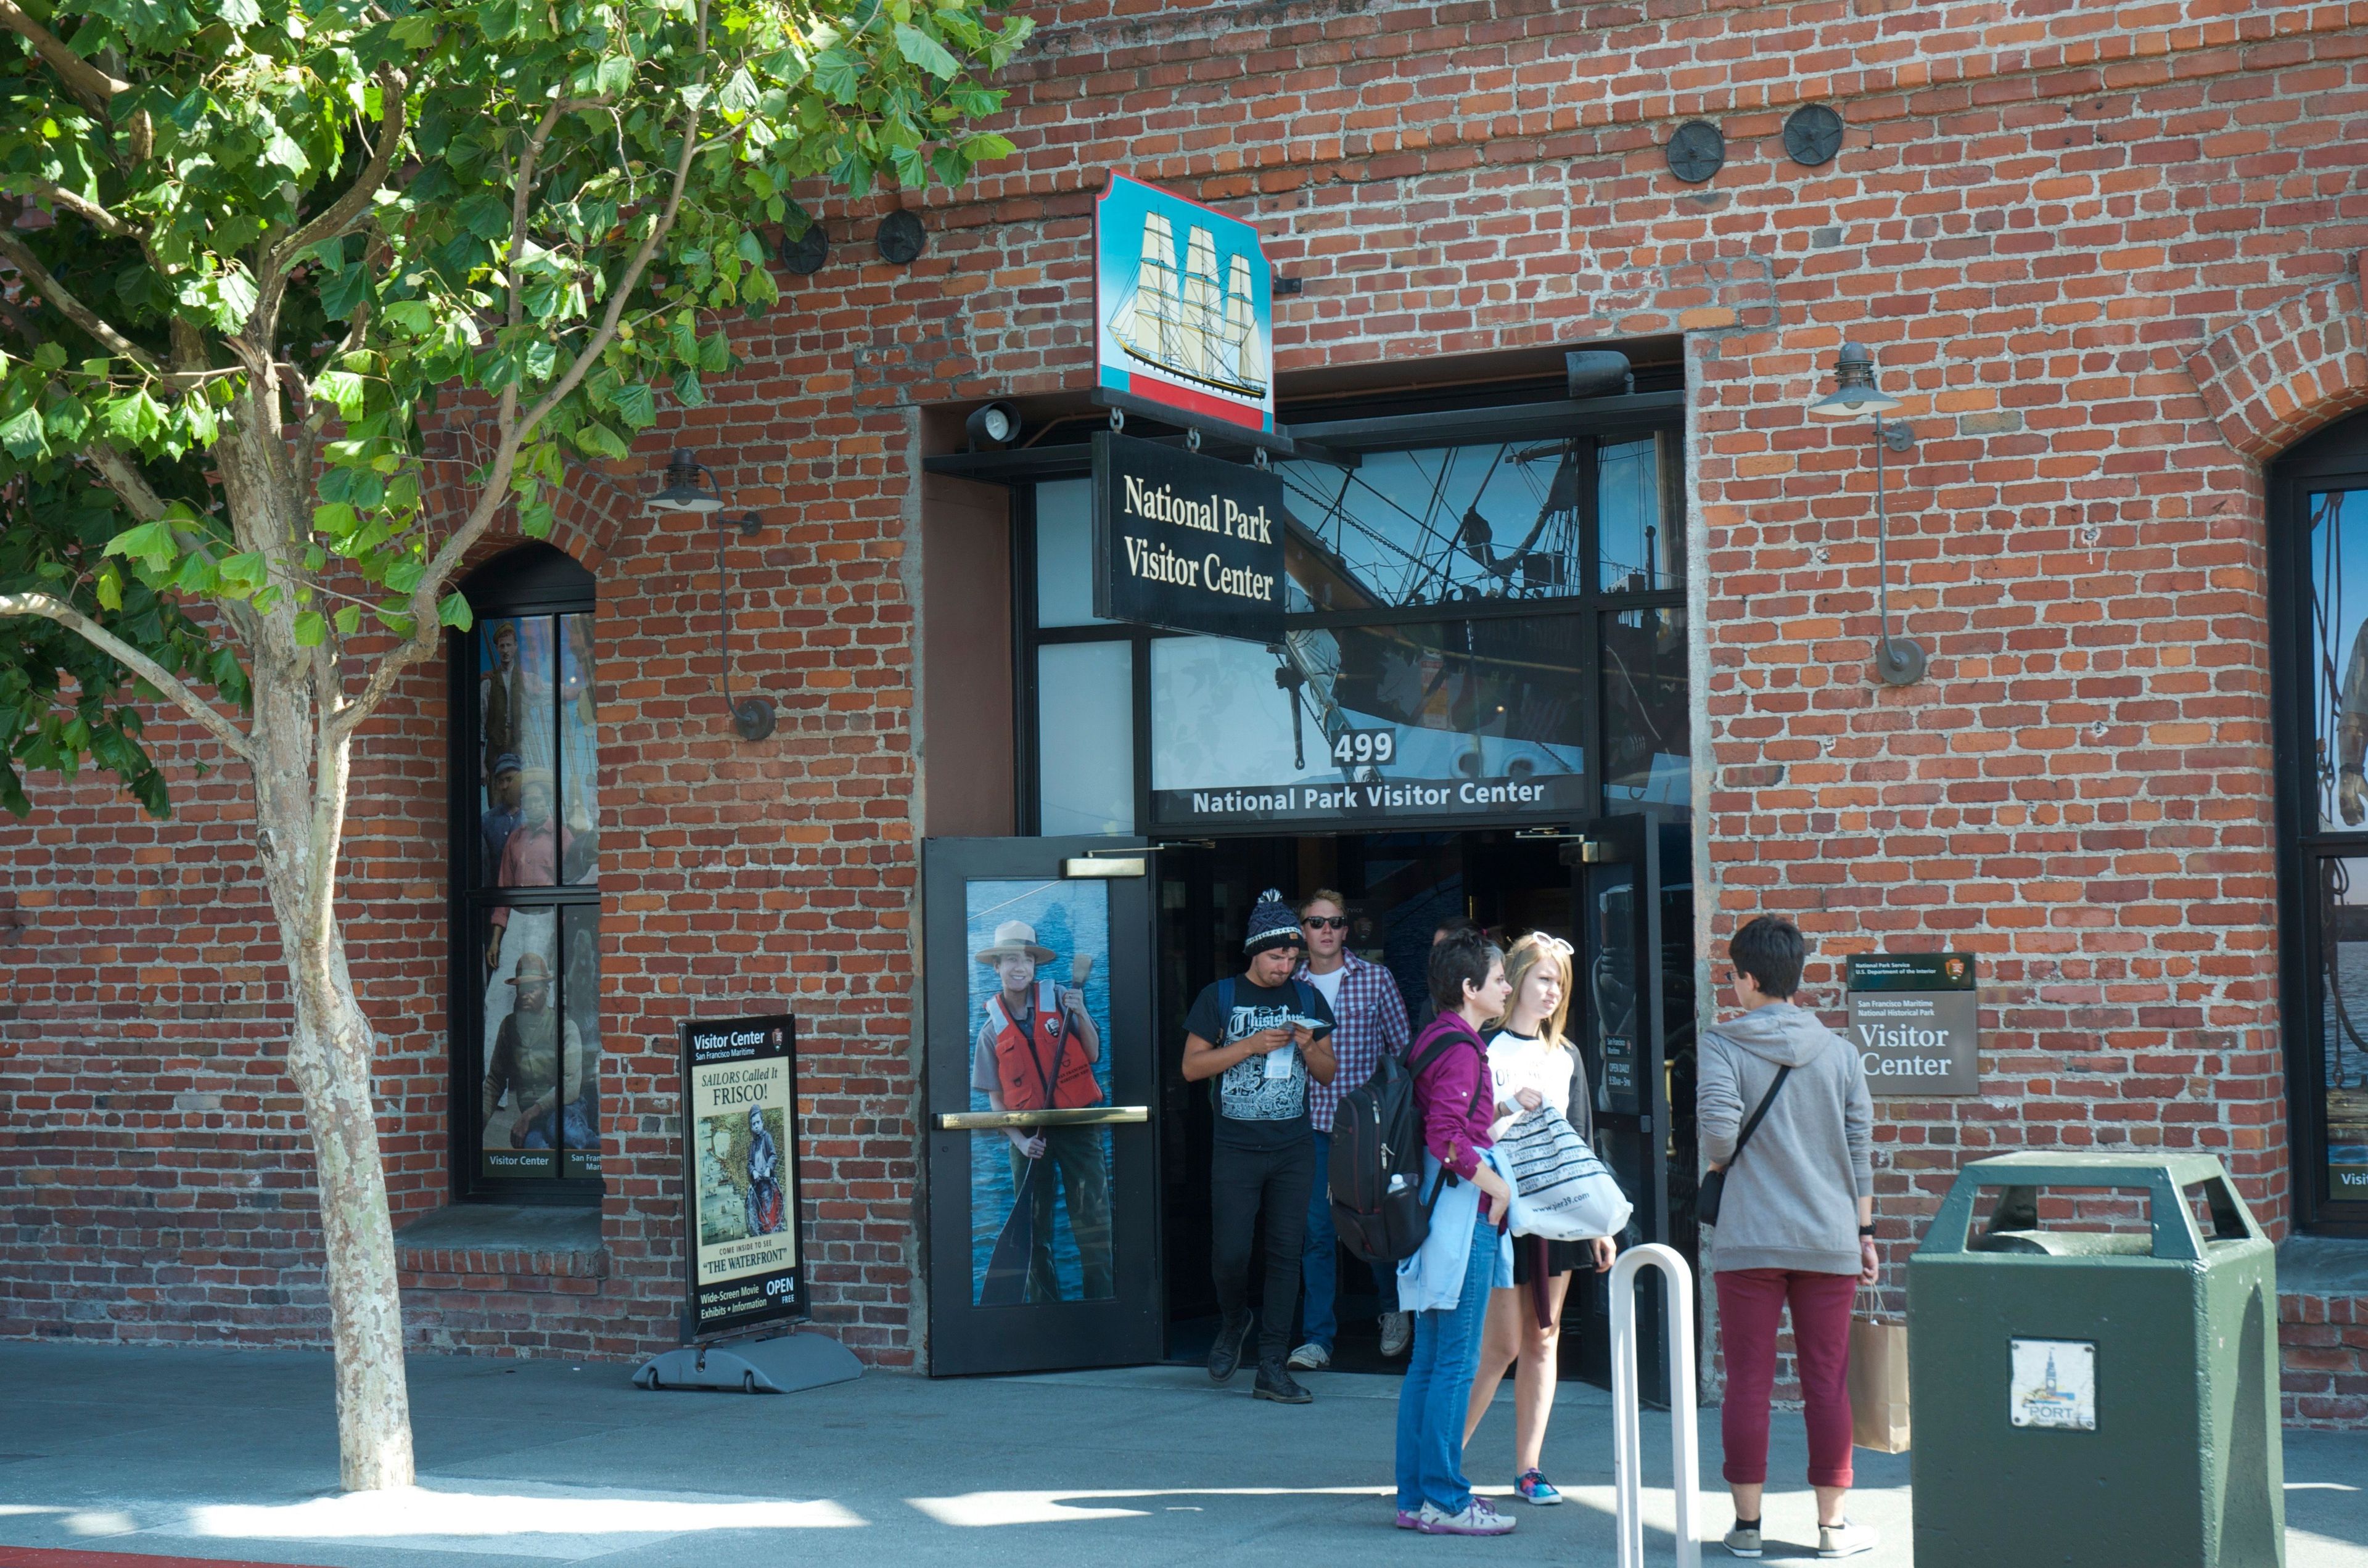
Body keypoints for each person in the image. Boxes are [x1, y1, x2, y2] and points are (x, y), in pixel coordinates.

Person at [1698, 915, 1878, 1561]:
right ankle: (1832, 1528)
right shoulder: (1841, 1053)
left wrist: (1724, 1163)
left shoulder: (1723, 1045)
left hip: (1750, 1237)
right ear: (1796, 975)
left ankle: (1747, 1527)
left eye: (1733, 976)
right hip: (1830, 1237)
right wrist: (1864, 1231)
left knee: (1747, 1379)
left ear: (1747, 978)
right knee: (1826, 1380)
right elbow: (1861, 1150)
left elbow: (1719, 1137)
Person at [1461, 932, 1616, 1505]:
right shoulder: (1482, 1046)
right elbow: (1462, 1132)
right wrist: (1505, 1110)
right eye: (1543, 978)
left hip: (1556, 1210)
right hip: (1498, 1210)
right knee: (1497, 1346)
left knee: (1544, 1338)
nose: (1552, 990)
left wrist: (1599, 1223)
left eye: (1560, 981)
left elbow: (1581, 1142)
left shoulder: (1567, 1054)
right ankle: (1445, 1460)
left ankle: (1529, 1467)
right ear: (1518, 978)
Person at [1182, 889, 1337, 1404]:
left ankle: (1272, 1364)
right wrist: (1248, 1045)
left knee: (1285, 1254)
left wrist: (1308, 1044)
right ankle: (1233, 1321)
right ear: (1254, 951)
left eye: (1293, 957)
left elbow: (1328, 1072)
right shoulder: (1219, 996)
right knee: (1231, 1251)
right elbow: (1191, 1067)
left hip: (1293, 1145)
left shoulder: (1309, 998)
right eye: (1277, 956)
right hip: (1235, 1146)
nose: (1286, 966)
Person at [1393, 927, 1518, 1537]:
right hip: (1460, 1219)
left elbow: (1450, 1121)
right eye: (1499, 978)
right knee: (1454, 1363)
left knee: (1428, 1361)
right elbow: (1447, 1136)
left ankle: (1416, 1496)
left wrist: (1497, 1114)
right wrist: (1500, 1187)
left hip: (1431, 1215)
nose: (1508, 986)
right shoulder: (1465, 1047)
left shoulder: (1435, 1038)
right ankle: (1444, 1496)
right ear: (1471, 988)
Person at [1288, 889, 1413, 1371]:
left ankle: (1392, 1310)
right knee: (1317, 1233)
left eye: (1335, 923)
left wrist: (1394, 1118)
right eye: (1316, 923)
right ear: (1302, 930)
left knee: (1375, 1223)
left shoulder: (1376, 979)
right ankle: (1318, 1337)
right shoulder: (1291, 984)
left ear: (1346, 929)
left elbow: (1402, 1051)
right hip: (1311, 1125)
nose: (1326, 931)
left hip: (1367, 1128)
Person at [968, 920, 1112, 1302]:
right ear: (996, 967)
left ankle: (1100, 1308)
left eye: (1028, 960)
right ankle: (1045, 1310)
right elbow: (996, 1101)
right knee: (1034, 1232)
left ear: (1035, 967)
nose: (1020, 967)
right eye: (1011, 959)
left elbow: (1094, 1055)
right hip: (1030, 1137)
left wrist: (1081, 1014)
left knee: (1093, 1224)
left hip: (1077, 1127)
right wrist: (1019, 1140)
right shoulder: (990, 1032)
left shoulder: (1064, 1001)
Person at [481, 951, 593, 1153]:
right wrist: (474, 1128)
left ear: (546, 989)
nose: (525, 995)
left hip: (566, 1109)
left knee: (562, 1131)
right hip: (533, 1116)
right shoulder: (509, 1027)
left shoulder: (565, 1026)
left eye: (532, 989)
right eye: (521, 989)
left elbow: (570, 1086)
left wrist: (527, 1116)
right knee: (537, 1151)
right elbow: (494, 1082)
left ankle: (606, 1149)